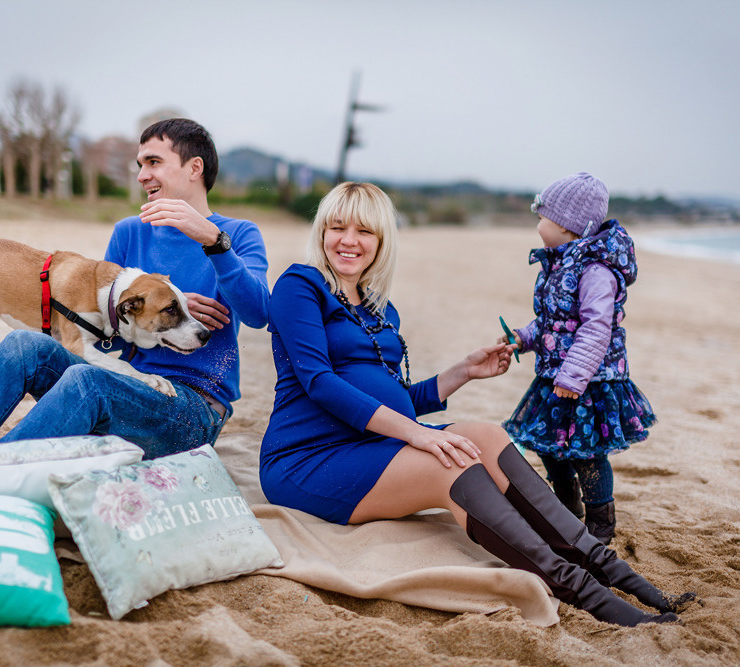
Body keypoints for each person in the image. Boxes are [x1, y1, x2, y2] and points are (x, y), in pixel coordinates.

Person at [259, 181, 693, 627]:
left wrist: (463, 371)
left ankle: (614, 572)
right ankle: (585, 592)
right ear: (321, 231)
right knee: (452, 463)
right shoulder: (301, 284)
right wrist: (419, 436)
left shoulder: (380, 312)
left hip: (370, 444)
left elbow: (400, 403)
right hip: (308, 459)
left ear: (382, 241)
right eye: (337, 227)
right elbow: (320, 384)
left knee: (484, 435)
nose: (349, 240)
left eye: (364, 231)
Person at [0, 118, 269, 495]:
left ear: (194, 168)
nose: (142, 175)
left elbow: (258, 313)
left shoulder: (237, 234)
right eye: (140, 164)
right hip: (123, 382)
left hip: (190, 408)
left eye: (153, 162)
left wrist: (214, 243)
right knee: (25, 345)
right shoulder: (129, 232)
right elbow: (107, 330)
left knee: (87, 382)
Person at [500, 172, 653, 546]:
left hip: (589, 382)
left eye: (543, 217)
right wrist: (524, 337)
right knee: (548, 444)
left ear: (569, 228)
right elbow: (555, 322)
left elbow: (596, 327)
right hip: (558, 375)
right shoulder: (561, 263)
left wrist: (574, 375)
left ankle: (601, 524)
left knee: (587, 453)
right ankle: (567, 511)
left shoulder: (595, 271)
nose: (538, 224)